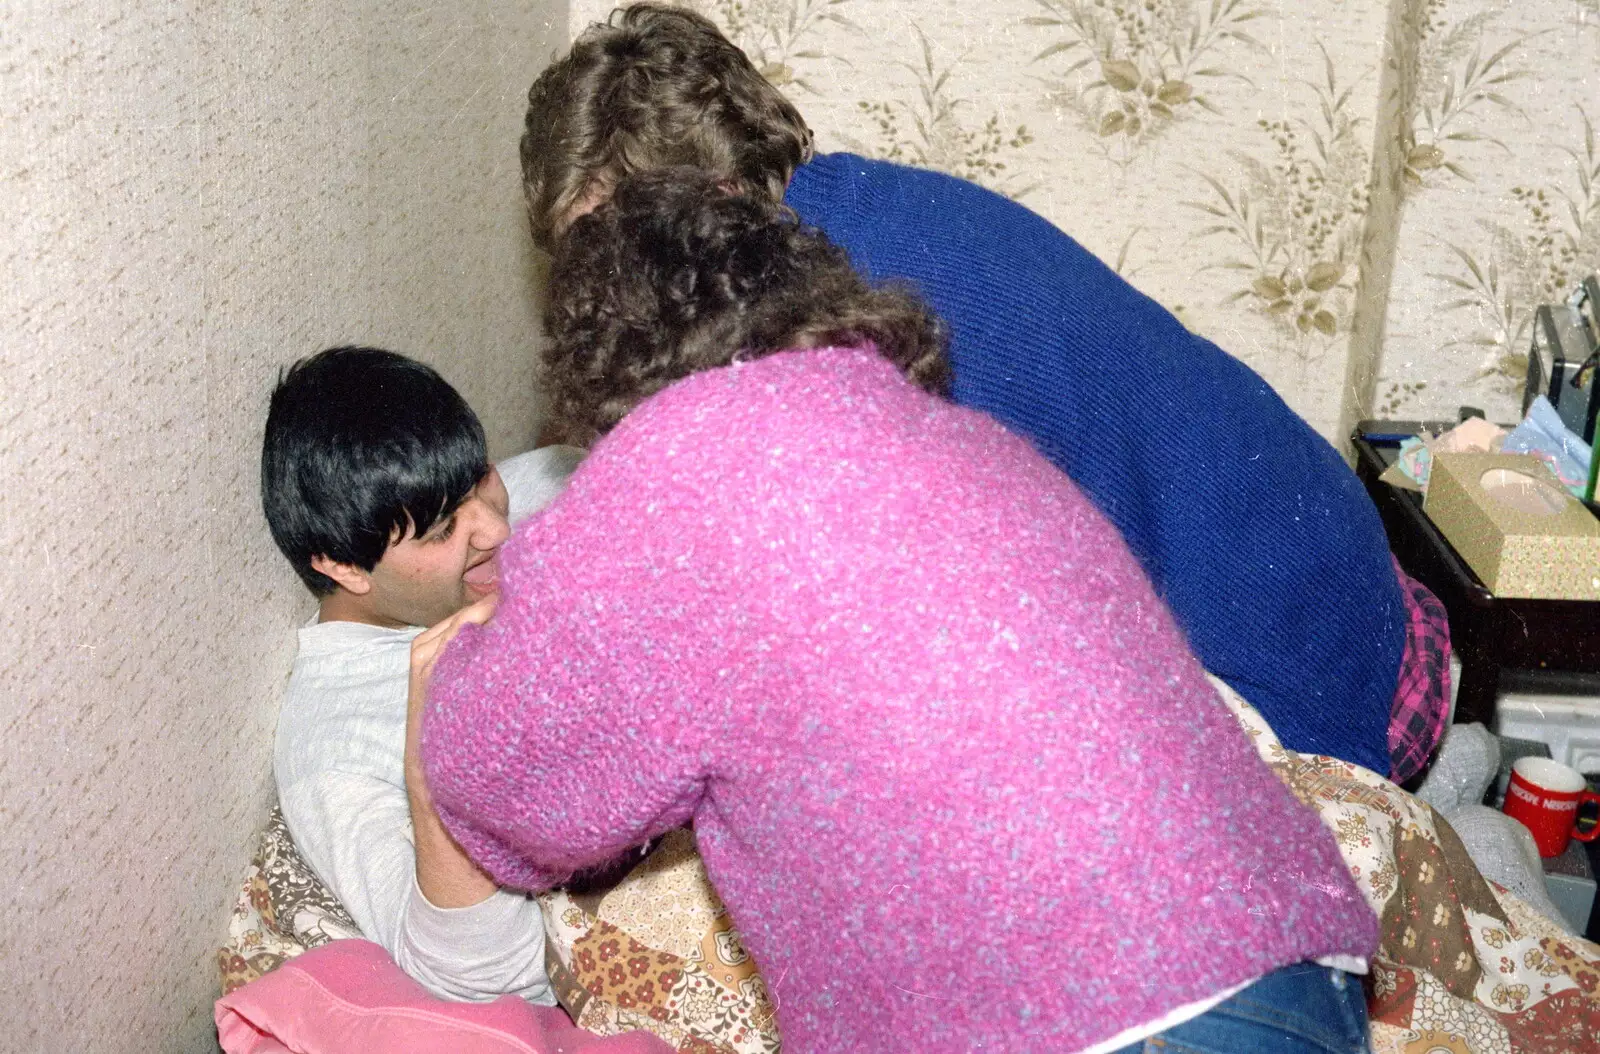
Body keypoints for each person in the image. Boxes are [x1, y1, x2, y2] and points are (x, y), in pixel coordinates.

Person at [422, 170, 1378, 1054]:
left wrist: (446, 668)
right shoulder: (966, 442)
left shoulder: (674, 477)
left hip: (1096, 1011)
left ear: (599, 365)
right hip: (1300, 966)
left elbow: (504, 780)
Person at [515, 3, 1453, 782]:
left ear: (712, 199)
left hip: (1313, 695)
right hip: (1368, 595)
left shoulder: (826, 331)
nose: (600, 289)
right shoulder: (864, 204)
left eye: (609, 247)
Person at [261, 345, 582, 1002]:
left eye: (483, 478)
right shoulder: (336, 755)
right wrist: (433, 756)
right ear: (344, 567)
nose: (495, 527)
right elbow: (496, 978)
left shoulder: (551, 482)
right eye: (442, 529)